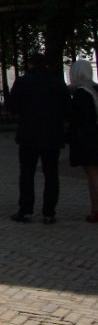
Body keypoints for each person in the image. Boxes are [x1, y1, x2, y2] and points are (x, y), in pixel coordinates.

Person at [6, 52, 71, 223]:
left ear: (30, 65)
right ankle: (49, 212)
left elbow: (12, 107)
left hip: (29, 134)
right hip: (52, 134)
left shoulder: (22, 82)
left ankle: (26, 210)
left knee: (27, 173)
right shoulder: (57, 82)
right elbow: (68, 108)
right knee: (51, 174)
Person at [66, 60, 98, 223]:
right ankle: (94, 209)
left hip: (89, 138)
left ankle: (96, 209)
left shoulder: (81, 93)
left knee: (93, 175)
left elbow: (79, 118)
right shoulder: (95, 89)